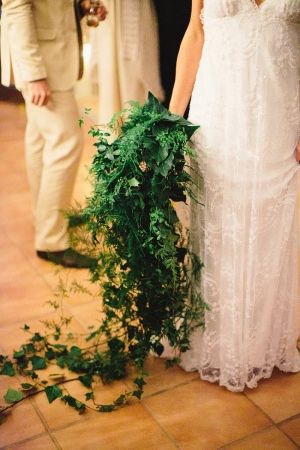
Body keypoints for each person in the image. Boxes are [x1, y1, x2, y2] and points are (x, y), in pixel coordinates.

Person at [169, 0, 300, 391]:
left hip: (282, 115)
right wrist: (170, 120)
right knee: (220, 221)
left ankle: (271, 341)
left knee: (274, 221)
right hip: (220, 115)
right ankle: (220, 342)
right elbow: (195, 32)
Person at [1, 0, 107, 268]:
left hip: (53, 56)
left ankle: (46, 217)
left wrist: (81, 5)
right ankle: (51, 240)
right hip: (41, 63)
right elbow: (17, 7)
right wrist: (34, 75)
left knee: (40, 137)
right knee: (66, 140)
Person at [89, 0, 164, 124]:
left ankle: (137, 136)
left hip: (132, 12)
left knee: (133, 84)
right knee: (110, 85)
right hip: (107, 15)